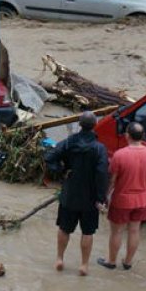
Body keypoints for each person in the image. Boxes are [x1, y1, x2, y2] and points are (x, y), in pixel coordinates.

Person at [44, 111, 109, 276]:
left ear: (79, 124)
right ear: (95, 126)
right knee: (88, 232)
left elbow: (49, 157)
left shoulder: (69, 142)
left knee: (64, 228)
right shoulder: (99, 148)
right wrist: (101, 197)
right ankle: (84, 265)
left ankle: (59, 259)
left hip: (69, 193)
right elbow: (102, 173)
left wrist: (61, 170)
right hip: (90, 196)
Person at [98, 121, 146, 271]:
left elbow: (112, 180)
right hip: (142, 199)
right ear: (143, 136)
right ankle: (128, 262)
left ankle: (111, 261)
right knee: (134, 230)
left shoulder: (119, 155)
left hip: (122, 200)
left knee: (117, 231)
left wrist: (104, 197)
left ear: (127, 135)